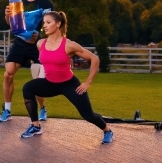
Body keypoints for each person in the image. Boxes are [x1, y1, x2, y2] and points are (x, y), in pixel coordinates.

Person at [19, 10, 114, 144]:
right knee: (28, 88)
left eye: (48, 22)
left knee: (88, 115)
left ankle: (107, 130)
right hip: (50, 83)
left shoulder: (69, 45)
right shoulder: (41, 44)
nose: (44, 26)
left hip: (69, 85)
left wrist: (87, 82)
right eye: (43, 23)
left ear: (58, 24)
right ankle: (35, 126)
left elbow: (94, 59)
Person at [0, 0, 54, 122]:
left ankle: (42, 109)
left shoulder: (45, 4)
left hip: (37, 45)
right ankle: (7, 110)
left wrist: (39, 33)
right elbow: (12, 25)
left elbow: (50, 23)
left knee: (37, 81)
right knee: (8, 74)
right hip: (19, 43)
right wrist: (7, 16)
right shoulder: (18, 2)